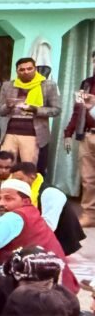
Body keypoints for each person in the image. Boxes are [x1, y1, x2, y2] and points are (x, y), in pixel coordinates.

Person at [0, 179, 79, 291]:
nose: (1, 203)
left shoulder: (13, 218)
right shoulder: (32, 212)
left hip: (39, 287)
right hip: (62, 287)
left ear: (25, 200)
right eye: (0, 198)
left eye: (8, 198)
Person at [0, 56, 61, 166]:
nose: (26, 72)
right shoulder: (8, 86)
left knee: (27, 169)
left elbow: (56, 110)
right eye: (22, 69)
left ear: (35, 69)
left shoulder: (48, 85)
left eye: (29, 68)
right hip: (9, 134)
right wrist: (8, 106)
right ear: (17, 71)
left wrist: (36, 110)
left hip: (33, 134)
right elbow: (0, 111)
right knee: (5, 167)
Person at [12, 162, 84, 256]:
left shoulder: (50, 193)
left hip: (59, 242)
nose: (16, 184)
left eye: (20, 179)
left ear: (32, 177)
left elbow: (49, 226)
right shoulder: (24, 191)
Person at [63, 55, 95, 226]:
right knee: (88, 179)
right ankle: (89, 216)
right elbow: (78, 109)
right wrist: (68, 132)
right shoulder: (87, 83)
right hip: (88, 135)